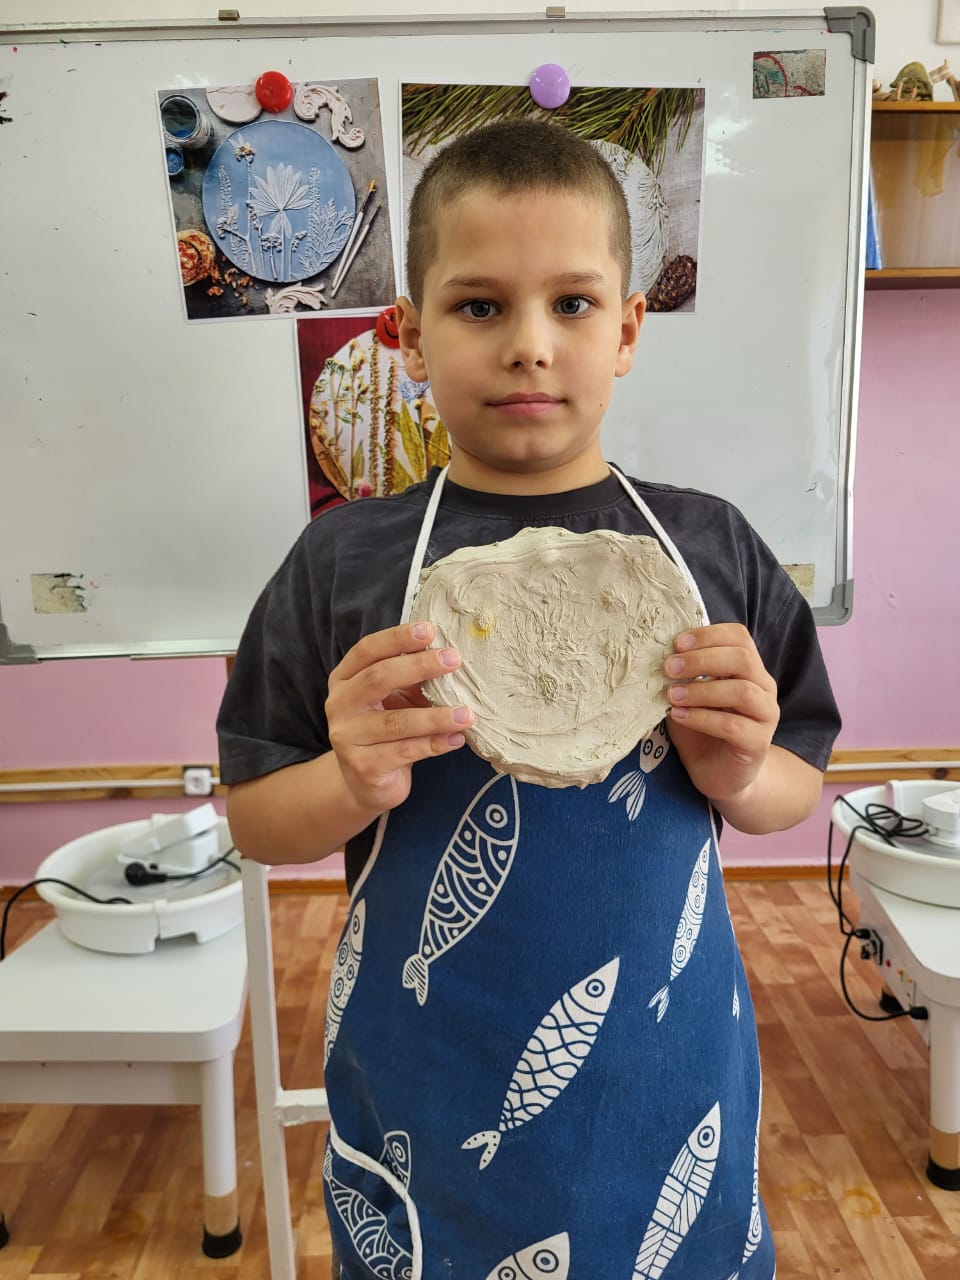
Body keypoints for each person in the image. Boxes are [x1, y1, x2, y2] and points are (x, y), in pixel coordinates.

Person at [218, 118, 840, 1279]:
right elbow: (256, 815)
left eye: (572, 304)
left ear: (628, 329)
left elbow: (797, 780)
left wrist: (743, 771)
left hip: (662, 1078)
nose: (529, 346)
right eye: (479, 306)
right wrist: (348, 779)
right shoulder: (344, 563)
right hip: (429, 1084)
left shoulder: (709, 550)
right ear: (408, 334)